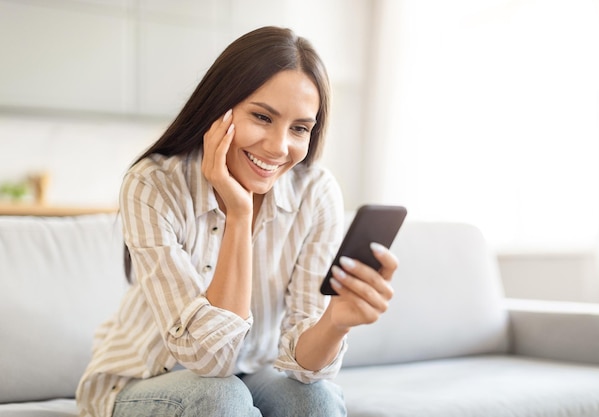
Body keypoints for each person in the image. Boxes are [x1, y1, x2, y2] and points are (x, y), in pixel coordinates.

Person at [76, 26, 398, 417]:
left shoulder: (315, 193)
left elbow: (304, 368)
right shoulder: (153, 185)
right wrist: (240, 214)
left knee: (317, 399)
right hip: (143, 381)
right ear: (219, 108)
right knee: (220, 397)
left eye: (299, 128)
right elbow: (210, 363)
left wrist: (336, 322)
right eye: (262, 117)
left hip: (249, 375)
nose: (279, 147)